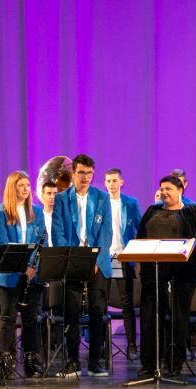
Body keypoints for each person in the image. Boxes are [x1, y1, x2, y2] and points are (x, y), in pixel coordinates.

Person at [135, 176, 196, 377]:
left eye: (168, 189)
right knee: (150, 318)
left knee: (179, 318)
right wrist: (139, 265)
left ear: (180, 190)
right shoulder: (152, 211)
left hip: (183, 274)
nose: (164, 192)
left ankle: (174, 363)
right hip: (153, 273)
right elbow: (140, 238)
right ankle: (150, 364)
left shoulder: (192, 212)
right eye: (161, 189)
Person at [54, 154, 113, 377]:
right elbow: (57, 231)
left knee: (98, 312)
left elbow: (106, 232)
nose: (85, 177)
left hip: (97, 261)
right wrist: (69, 258)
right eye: (81, 173)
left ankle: (96, 361)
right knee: (71, 312)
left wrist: (96, 259)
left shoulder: (102, 197)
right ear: (73, 173)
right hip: (72, 260)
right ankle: (72, 361)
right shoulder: (61, 198)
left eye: (89, 173)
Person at [0, 171, 47, 380]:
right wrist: (22, 268)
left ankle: (32, 363)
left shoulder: (37, 212)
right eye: (21, 185)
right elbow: (3, 244)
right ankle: (7, 362)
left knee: (31, 319)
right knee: (8, 318)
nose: (25, 189)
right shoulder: (0, 212)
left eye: (27, 185)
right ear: (12, 188)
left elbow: (41, 242)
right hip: (8, 274)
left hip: (32, 275)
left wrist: (32, 267)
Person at [105, 168, 141, 360]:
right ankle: (102, 346)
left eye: (114, 180)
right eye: (108, 181)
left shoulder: (130, 203)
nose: (111, 184)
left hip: (121, 257)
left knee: (126, 302)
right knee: (100, 301)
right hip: (105, 257)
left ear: (121, 182)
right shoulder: (101, 202)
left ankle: (132, 345)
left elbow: (139, 228)